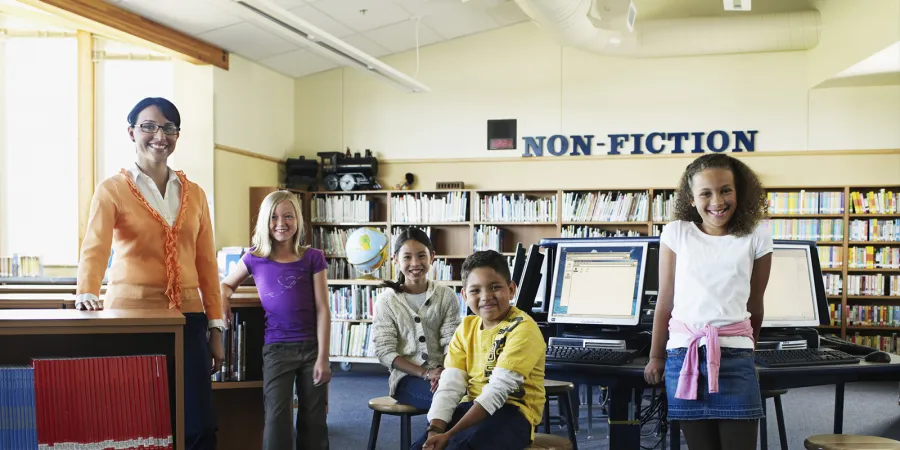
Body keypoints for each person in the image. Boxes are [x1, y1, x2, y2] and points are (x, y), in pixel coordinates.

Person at [76, 97, 224, 449]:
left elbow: (206, 264)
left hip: (188, 317)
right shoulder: (112, 189)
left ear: (177, 135)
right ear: (131, 132)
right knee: (136, 419)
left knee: (198, 421)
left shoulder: (196, 194)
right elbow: (95, 248)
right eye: (149, 126)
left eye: (169, 128)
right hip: (130, 317)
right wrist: (86, 292)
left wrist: (216, 325)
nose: (160, 135)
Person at [643, 153, 773, 450]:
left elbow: (756, 304)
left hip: (735, 359)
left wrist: (749, 351)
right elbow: (666, 299)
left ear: (739, 191)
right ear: (691, 198)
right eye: (706, 193)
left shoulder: (757, 235)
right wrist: (656, 356)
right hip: (683, 357)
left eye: (726, 190)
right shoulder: (676, 232)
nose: (718, 201)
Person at [220, 190, 331, 450]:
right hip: (277, 350)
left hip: (311, 348)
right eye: (274, 217)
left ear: (298, 220)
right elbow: (225, 285)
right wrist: (224, 298)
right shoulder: (254, 257)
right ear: (264, 222)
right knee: (277, 419)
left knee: (314, 421)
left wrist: (324, 358)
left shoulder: (313, 257)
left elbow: (323, 308)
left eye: (288, 216)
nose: (281, 223)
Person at [414, 250, 546, 450]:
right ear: (465, 295)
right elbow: (450, 386)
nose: (486, 297)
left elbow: (497, 392)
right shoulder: (466, 328)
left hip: (513, 414)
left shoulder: (523, 328)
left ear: (511, 289)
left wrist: (449, 434)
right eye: (475, 291)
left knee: (458, 446)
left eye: (495, 287)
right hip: (472, 406)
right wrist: (435, 430)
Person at [373, 228, 461, 411]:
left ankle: (434, 438)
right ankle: (433, 439)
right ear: (396, 259)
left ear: (432, 257)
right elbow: (385, 351)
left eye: (421, 256)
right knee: (452, 405)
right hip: (406, 380)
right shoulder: (387, 301)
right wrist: (426, 373)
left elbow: (451, 342)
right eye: (407, 257)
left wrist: (444, 372)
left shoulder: (446, 295)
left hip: (445, 374)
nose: (415, 263)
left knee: (472, 398)